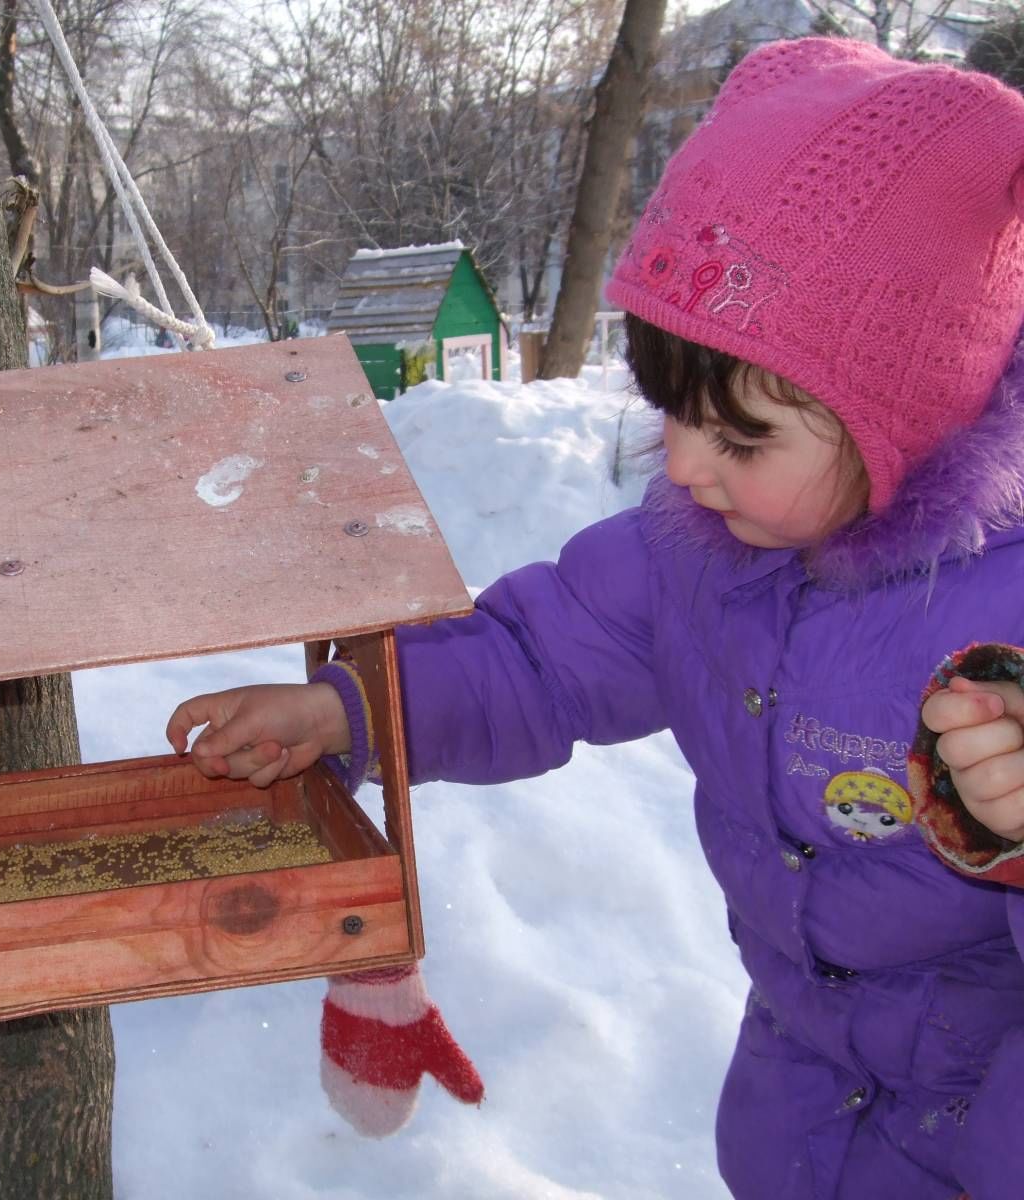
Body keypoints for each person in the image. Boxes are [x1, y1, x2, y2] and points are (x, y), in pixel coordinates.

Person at [166, 38, 1024, 1199]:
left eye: (738, 438)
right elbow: (538, 662)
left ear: (905, 418)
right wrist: (345, 708)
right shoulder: (698, 557)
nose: (681, 464)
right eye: (668, 412)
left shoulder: (1001, 604)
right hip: (799, 1099)